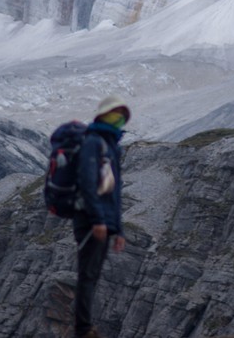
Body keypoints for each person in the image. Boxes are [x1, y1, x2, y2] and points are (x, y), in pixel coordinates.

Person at [73, 94, 130, 338]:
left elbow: (113, 192)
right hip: (90, 221)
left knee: (92, 275)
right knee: (87, 274)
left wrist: (117, 229)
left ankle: (85, 326)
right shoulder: (94, 142)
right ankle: (83, 329)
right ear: (104, 116)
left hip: (104, 223)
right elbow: (87, 182)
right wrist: (97, 220)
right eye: (115, 114)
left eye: (121, 116)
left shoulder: (111, 146)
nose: (119, 120)